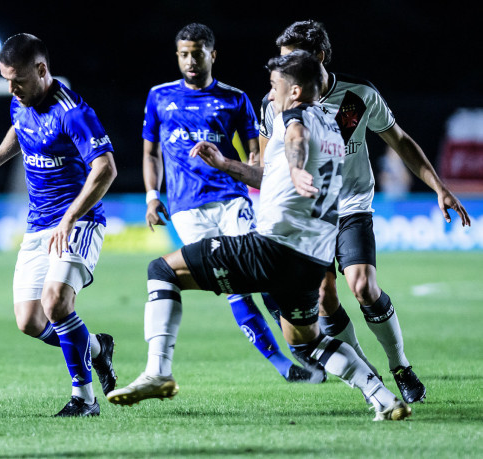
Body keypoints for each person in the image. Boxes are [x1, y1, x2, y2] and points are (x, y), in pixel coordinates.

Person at [109, 50, 413, 421]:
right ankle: (381, 396)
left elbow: (296, 139)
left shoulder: (295, 118)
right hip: (309, 261)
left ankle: (158, 371)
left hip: (272, 248)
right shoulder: (335, 127)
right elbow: (271, 176)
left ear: (296, 90)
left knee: (162, 270)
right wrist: (224, 164)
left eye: (275, 86)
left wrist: (298, 167)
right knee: (306, 338)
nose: (270, 94)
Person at [258, 20, 472, 404]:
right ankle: (365, 373)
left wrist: (439, 187)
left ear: (319, 58)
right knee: (324, 298)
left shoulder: (358, 95)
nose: (282, 69)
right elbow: (266, 166)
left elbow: (401, 140)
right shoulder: (274, 102)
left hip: (352, 205)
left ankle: (400, 366)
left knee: (364, 287)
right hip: (309, 215)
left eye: (290, 61)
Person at [136, 22, 324, 392]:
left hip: (231, 200)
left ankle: (300, 345)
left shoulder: (234, 99)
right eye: (184, 54)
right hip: (187, 208)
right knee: (234, 288)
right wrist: (152, 195)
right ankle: (284, 365)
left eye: (198, 53)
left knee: (263, 272)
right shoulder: (158, 97)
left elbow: (258, 155)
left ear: (212, 54)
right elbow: (149, 152)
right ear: (177, 56)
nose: (191, 61)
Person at [0, 33, 118, 417]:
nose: (12, 89)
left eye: (17, 80)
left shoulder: (74, 112)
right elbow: (20, 129)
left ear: (42, 70)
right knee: (29, 321)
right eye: (6, 80)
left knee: (55, 303)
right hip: (38, 226)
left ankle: (84, 399)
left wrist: (70, 217)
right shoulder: (20, 99)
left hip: (78, 222)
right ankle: (97, 348)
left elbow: (106, 168)